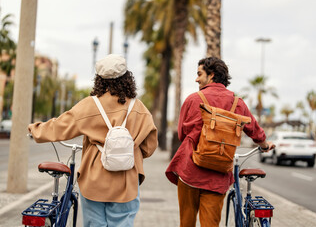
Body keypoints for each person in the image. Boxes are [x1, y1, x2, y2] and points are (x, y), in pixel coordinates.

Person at [28, 54, 158, 227]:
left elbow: (60, 126)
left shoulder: (90, 105)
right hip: (127, 180)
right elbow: (150, 147)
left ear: (99, 79)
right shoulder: (139, 108)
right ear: (127, 77)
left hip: (94, 180)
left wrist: (35, 130)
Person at [165, 57, 275, 227]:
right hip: (217, 175)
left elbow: (181, 134)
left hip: (189, 171)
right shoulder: (238, 103)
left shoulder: (193, 99)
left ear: (212, 75)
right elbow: (254, 130)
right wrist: (265, 145)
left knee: (186, 223)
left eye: (199, 74)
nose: (196, 79)